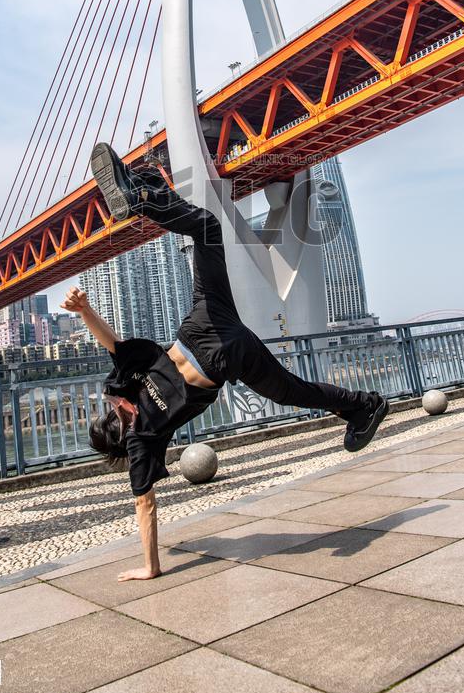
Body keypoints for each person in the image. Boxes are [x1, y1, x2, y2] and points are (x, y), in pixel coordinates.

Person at [63, 142, 388, 582]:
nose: (118, 409)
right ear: (123, 434)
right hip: (223, 355)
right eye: (117, 420)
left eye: (113, 410)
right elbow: (145, 504)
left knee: (207, 227)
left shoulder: (128, 389)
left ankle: (141, 193)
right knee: (294, 392)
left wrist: (84, 312)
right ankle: (364, 405)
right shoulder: (144, 440)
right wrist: (149, 566)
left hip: (201, 321)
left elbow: (115, 346)